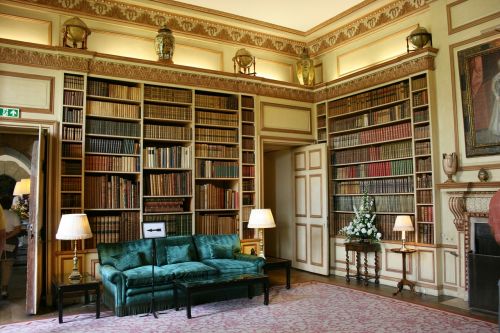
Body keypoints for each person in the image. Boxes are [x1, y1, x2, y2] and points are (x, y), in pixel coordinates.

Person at [0, 196, 21, 298]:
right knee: (7, 266)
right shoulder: (13, 215)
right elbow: (17, 230)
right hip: (10, 241)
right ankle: (4, 290)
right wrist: (7, 236)